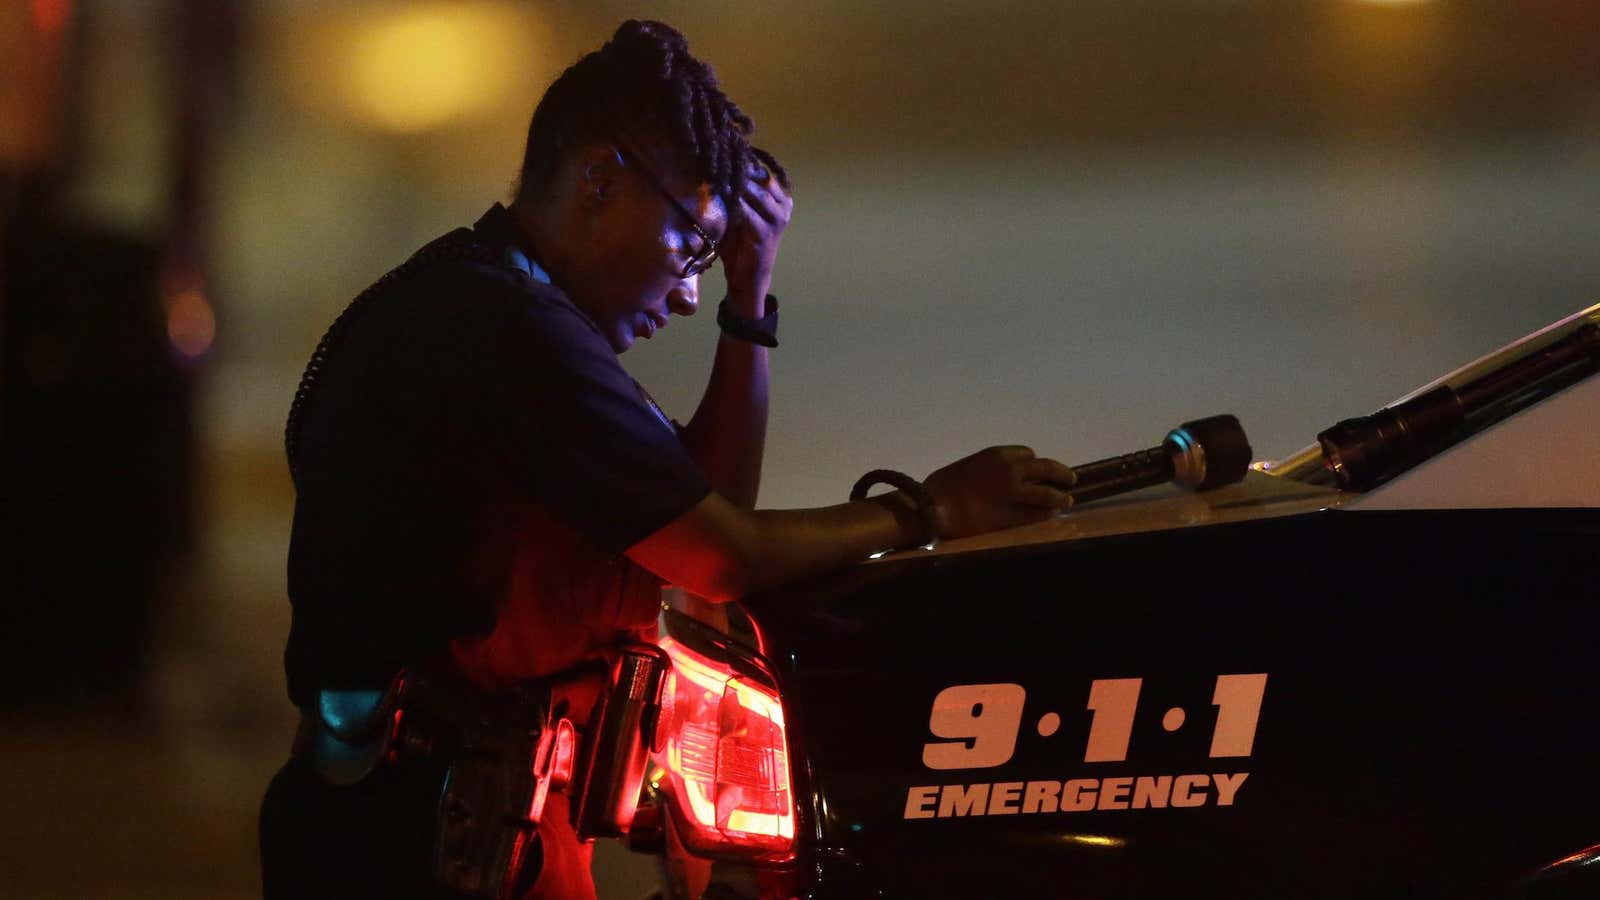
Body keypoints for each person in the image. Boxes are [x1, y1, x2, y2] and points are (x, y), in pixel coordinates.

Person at [259, 19, 1076, 900]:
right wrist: (932, 511)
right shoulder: (504, 333)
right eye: (690, 246)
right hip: (410, 844)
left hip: (438, 825)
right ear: (602, 180)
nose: (690, 290)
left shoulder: (493, 306)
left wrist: (748, 294)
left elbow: (700, 500)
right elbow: (723, 554)